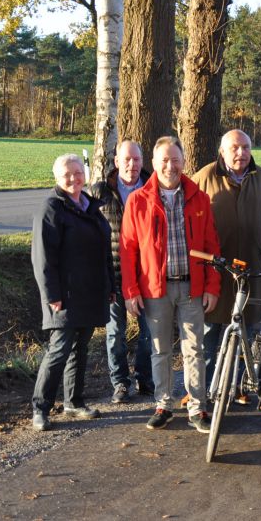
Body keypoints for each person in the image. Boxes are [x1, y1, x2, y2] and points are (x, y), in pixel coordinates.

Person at [120, 137, 221, 432]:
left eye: (175, 160)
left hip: (193, 288)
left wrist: (212, 287)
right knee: (160, 349)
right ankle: (163, 403)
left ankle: (197, 407)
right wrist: (130, 291)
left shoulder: (199, 198)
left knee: (195, 349)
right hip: (154, 289)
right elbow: (128, 251)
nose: (170, 166)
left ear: (184, 161)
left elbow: (211, 245)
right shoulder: (138, 201)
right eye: (164, 160)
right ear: (154, 163)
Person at [30, 154, 114, 431]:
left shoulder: (90, 205)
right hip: (63, 295)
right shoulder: (51, 208)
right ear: (57, 177)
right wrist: (51, 294)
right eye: (67, 174)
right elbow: (43, 258)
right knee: (59, 350)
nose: (74, 178)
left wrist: (110, 287)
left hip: (90, 291)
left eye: (78, 172)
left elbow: (104, 252)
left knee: (81, 349)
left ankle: (74, 402)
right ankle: (40, 408)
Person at [192, 130, 261, 387]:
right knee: (208, 334)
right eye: (235, 148)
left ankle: (237, 386)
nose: (241, 153)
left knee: (245, 333)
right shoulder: (203, 177)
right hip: (216, 271)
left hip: (251, 270)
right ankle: (201, 390)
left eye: (246, 147)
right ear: (223, 151)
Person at [90, 140, 154, 404]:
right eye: (126, 159)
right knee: (115, 333)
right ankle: (120, 383)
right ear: (116, 161)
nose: (132, 165)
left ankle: (145, 378)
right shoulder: (100, 192)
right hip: (113, 274)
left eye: (136, 159)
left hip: (148, 275)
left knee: (149, 332)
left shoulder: (154, 188)